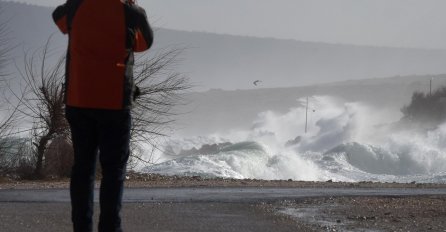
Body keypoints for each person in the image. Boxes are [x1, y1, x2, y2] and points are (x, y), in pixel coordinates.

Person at [52, 0, 153, 231]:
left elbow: (58, 18)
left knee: (83, 169)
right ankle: (110, 227)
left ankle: (81, 226)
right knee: (113, 170)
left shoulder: (77, 6)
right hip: (114, 102)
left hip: (79, 99)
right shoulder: (130, 12)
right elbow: (143, 43)